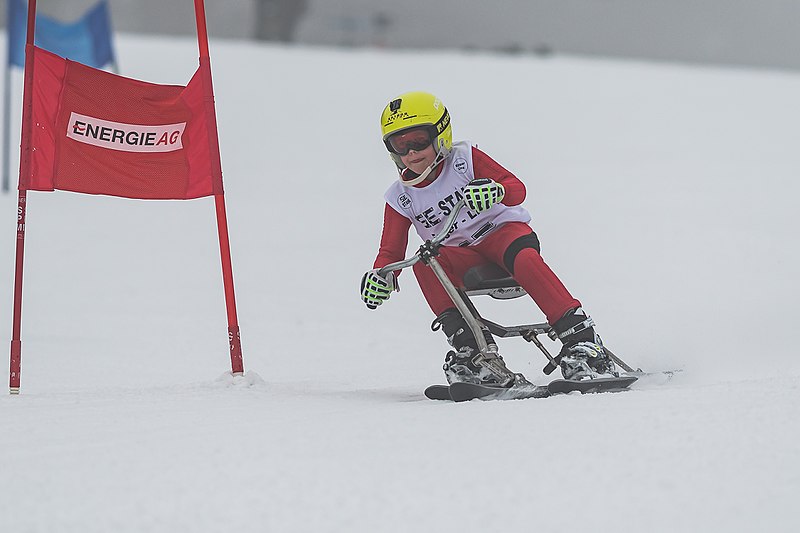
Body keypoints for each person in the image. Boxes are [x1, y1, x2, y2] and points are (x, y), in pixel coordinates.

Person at [360, 91, 616, 387]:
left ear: (441, 135)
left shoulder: (464, 160)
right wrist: (381, 276)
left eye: (418, 141)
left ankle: (581, 338)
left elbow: (516, 187)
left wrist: (496, 191)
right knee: (424, 262)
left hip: (502, 236)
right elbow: (390, 251)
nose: (412, 154)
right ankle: (474, 352)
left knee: (523, 257)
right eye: (401, 146)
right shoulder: (400, 197)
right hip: (463, 257)